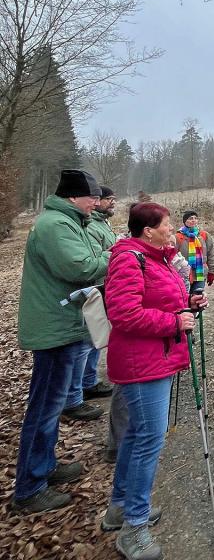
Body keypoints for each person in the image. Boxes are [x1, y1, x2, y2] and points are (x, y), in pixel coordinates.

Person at [101, 202, 207, 560]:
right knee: (148, 441)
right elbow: (123, 313)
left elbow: (162, 299)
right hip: (142, 365)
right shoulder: (129, 259)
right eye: (167, 224)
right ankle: (134, 527)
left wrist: (189, 303)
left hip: (154, 361)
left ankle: (119, 507)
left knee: (136, 435)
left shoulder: (155, 256)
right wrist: (173, 323)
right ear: (148, 229)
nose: (172, 228)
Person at [12, 170, 109, 514]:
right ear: (73, 197)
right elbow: (80, 267)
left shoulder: (69, 222)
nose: (96, 203)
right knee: (44, 407)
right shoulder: (55, 225)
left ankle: (44, 467)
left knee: (50, 406)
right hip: (55, 329)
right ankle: (29, 488)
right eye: (92, 197)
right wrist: (120, 257)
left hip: (64, 324)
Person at [75, 186, 117, 403]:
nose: (113, 202)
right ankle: (80, 388)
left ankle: (89, 381)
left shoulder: (102, 222)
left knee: (96, 338)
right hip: (94, 288)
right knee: (89, 338)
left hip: (104, 286)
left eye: (113, 199)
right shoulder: (91, 226)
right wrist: (117, 253)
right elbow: (93, 258)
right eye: (108, 199)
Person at [174, 210, 214, 294]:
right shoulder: (178, 237)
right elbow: (173, 257)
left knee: (198, 299)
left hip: (200, 273)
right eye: (190, 218)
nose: (193, 220)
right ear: (185, 221)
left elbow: (210, 254)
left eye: (195, 218)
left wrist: (211, 271)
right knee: (185, 300)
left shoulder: (204, 235)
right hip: (183, 274)